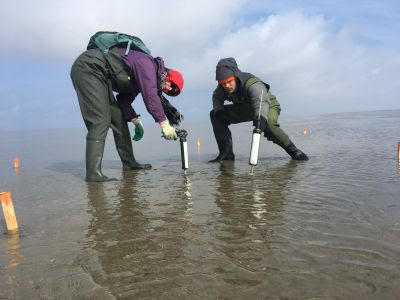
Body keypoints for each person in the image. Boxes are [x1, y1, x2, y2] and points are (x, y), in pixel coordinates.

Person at [71, 45, 184, 182]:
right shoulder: (147, 64)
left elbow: (124, 100)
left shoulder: (143, 78)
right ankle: (93, 173)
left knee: (118, 117)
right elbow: (150, 95)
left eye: (171, 91)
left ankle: (129, 163)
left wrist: (135, 119)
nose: (168, 89)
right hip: (89, 68)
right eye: (171, 85)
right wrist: (164, 124)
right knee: (100, 121)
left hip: (101, 76)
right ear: (169, 74)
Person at [209, 57, 308, 162]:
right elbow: (216, 98)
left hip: (267, 105)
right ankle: (226, 154)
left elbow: (261, 102)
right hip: (246, 108)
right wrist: (219, 110)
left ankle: (294, 151)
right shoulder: (222, 88)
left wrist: (261, 117)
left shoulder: (254, 85)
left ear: (236, 76)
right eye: (223, 83)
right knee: (215, 115)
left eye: (229, 81)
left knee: (269, 125)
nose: (227, 86)